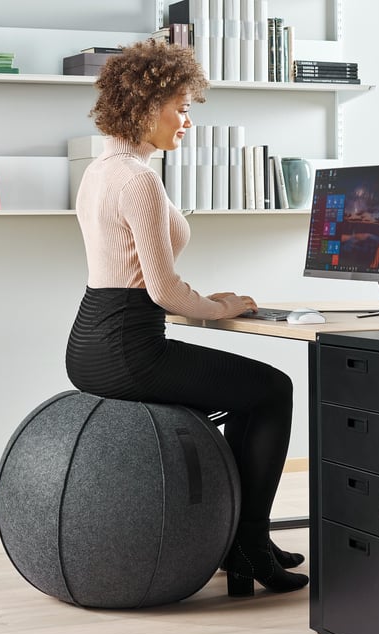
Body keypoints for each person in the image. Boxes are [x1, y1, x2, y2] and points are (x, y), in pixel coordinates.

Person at [65, 40, 308, 597]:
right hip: (130, 346)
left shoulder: (103, 170)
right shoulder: (138, 178)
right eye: (182, 107)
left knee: (248, 392)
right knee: (272, 390)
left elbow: (142, 275)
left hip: (93, 340)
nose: (188, 122)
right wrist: (221, 307)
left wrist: (209, 298)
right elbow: (165, 289)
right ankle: (245, 543)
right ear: (148, 106)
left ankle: (248, 539)